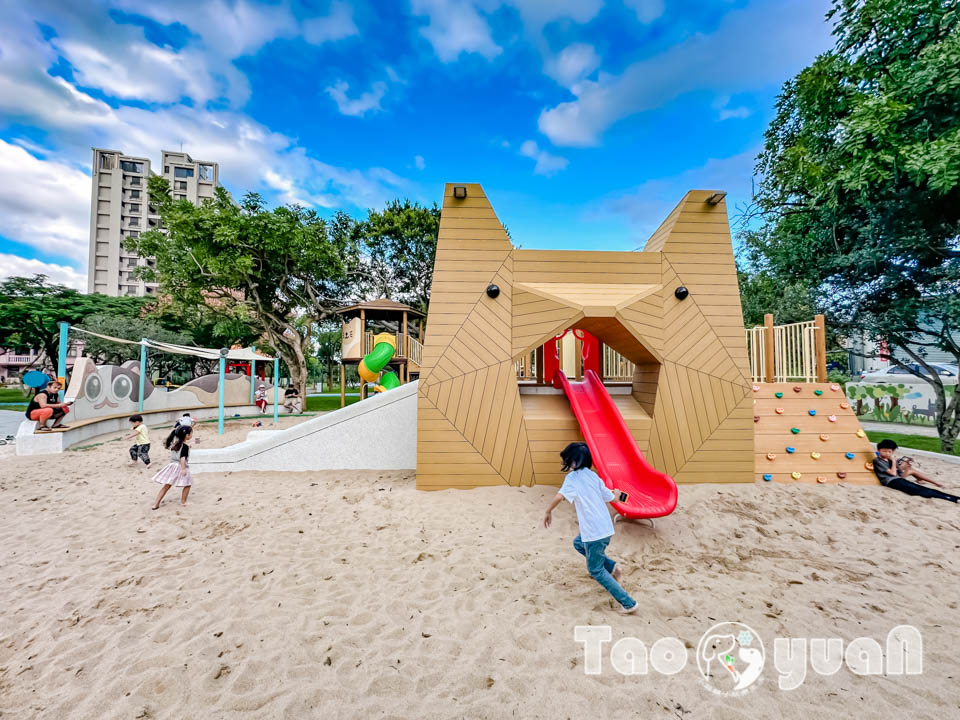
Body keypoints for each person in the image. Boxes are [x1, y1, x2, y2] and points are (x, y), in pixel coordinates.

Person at [543, 442, 639, 614]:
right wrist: (616, 494)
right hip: (605, 529)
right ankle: (613, 568)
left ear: (572, 462)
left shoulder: (572, 479)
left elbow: (559, 497)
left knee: (595, 570)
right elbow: (612, 498)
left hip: (594, 533)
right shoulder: (594, 476)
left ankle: (628, 603)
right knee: (578, 544)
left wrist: (548, 511)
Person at [874, 439, 959, 503]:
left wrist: (903, 465)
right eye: (884, 451)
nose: (887, 454)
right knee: (918, 491)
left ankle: (954, 498)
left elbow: (898, 472)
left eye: (890, 451)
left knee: (922, 488)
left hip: (898, 479)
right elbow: (892, 473)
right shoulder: (878, 460)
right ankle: (949, 498)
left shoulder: (889, 459)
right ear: (879, 451)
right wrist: (893, 461)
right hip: (890, 481)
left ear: (893, 451)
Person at [151, 425, 193, 509]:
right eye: (191, 433)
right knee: (188, 484)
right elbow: (182, 458)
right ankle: (183, 502)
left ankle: (156, 504)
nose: (192, 435)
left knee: (166, 486)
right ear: (187, 435)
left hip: (172, 466)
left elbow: (179, 451)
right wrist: (183, 469)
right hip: (180, 466)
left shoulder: (175, 444)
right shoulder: (184, 446)